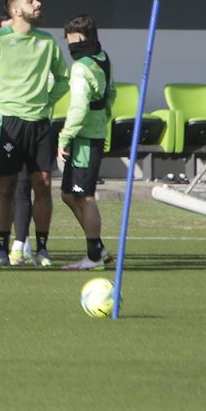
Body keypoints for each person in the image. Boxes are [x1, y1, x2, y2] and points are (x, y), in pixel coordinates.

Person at [0, 0, 67, 268]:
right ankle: (1, 250)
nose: (38, 3)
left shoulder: (47, 42)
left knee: (43, 185)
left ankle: (42, 249)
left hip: (40, 124)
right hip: (8, 121)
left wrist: (46, 103)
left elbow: (63, 79)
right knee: (6, 185)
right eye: (31, 0)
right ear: (16, 10)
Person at [56, 14, 114, 271]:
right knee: (69, 195)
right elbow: (111, 94)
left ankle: (94, 256)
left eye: (69, 41)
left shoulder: (81, 67)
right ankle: (98, 248)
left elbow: (78, 109)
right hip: (95, 134)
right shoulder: (103, 58)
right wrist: (104, 120)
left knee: (84, 196)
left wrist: (64, 138)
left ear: (77, 38)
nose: (69, 47)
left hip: (84, 139)